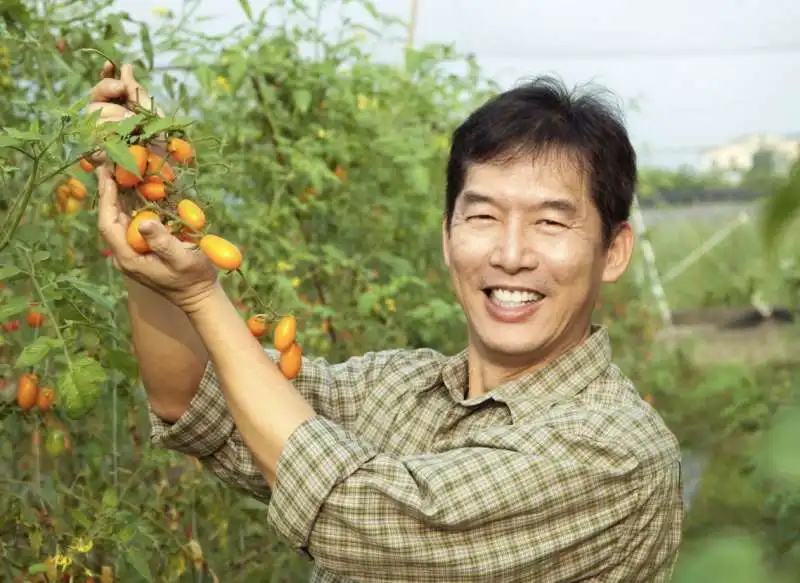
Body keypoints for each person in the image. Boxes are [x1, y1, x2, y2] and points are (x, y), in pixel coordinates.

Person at [88, 62, 683, 582]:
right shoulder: (396, 389)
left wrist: (202, 296)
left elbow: (363, 516)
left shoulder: (615, 450)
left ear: (614, 251)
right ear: (448, 238)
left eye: (550, 224)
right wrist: (149, 201)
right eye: (482, 216)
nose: (510, 253)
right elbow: (192, 396)